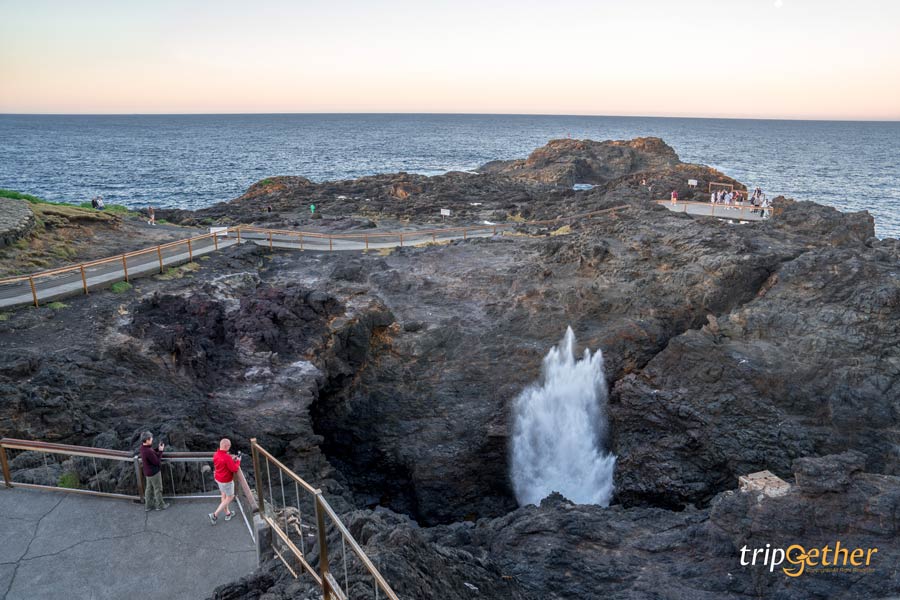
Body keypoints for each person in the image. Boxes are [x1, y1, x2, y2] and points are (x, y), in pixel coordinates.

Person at [208, 438, 241, 525]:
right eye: (229, 446)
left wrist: (231, 460)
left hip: (218, 479)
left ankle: (227, 513)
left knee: (224, 495)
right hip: (226, 481)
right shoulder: (226, 457)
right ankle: (214, 515)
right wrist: (238, 461)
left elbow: (223, 463)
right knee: (230, 497)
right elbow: (234, 469)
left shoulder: (216, 454)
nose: (229, 447)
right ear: (226, 446)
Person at [140, 431, 168, 511]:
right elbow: (157, 462)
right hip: (154, 473)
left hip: (147, 472)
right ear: (147, 440)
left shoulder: (142, 448)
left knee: (149, 489)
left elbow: (151, 453)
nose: (152, 439)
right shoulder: (148, 451)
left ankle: (148, 506)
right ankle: (160, 505)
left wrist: (157, 449)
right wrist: (161, 451)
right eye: (151, 438)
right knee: (158, 489)